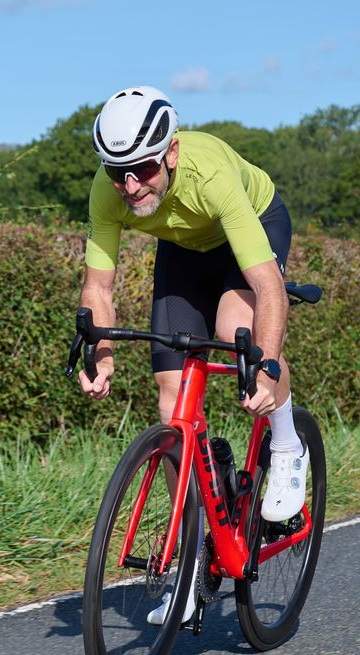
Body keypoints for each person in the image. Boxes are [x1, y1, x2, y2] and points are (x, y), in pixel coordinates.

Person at [75, 85, 308, 625]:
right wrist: (103, 355)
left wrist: (267, 366)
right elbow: (98, 287)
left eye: (144, 169)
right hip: (184, 252)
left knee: (234, 326)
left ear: (172, 152)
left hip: (250, 226)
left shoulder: (210, 175)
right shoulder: (109, 190)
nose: (130, 186)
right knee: (171, 401)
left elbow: (269, 289)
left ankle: (289, 446)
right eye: (117, 171)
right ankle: (192, 565)